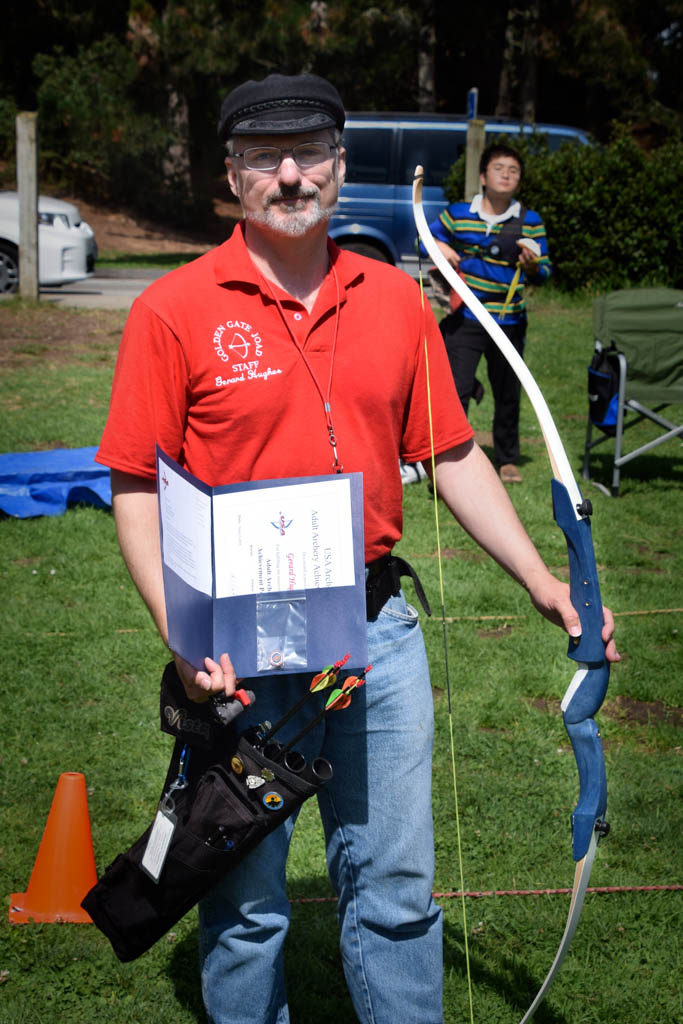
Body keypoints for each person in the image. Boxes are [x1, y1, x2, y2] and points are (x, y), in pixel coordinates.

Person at [96, 74, 617, 1024]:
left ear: (338, 167)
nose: (290, 175)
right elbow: (135, 484)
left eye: (309, 154)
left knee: (396, 891)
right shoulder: (172, 307)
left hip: (376, 632)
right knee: (245, 904)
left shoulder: (395, 300)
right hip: (238, 646)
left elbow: (450, 453)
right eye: (264, 157)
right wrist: (181, 634)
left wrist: (542, 579)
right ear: (232, 176)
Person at [423, 142, 551, 485]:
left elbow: (544, 271)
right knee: (456, 390)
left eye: (513, 170)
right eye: (498, 168)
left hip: (509, 320)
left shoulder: (530, 221)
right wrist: (441, 246)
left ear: (519, 180)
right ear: (483, 176)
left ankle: (507, 460)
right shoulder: (458, 213)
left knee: (507, 391)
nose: (506, 175)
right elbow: (423, 239)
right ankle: (452, 461)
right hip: (466, 316)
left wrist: (533, 266)